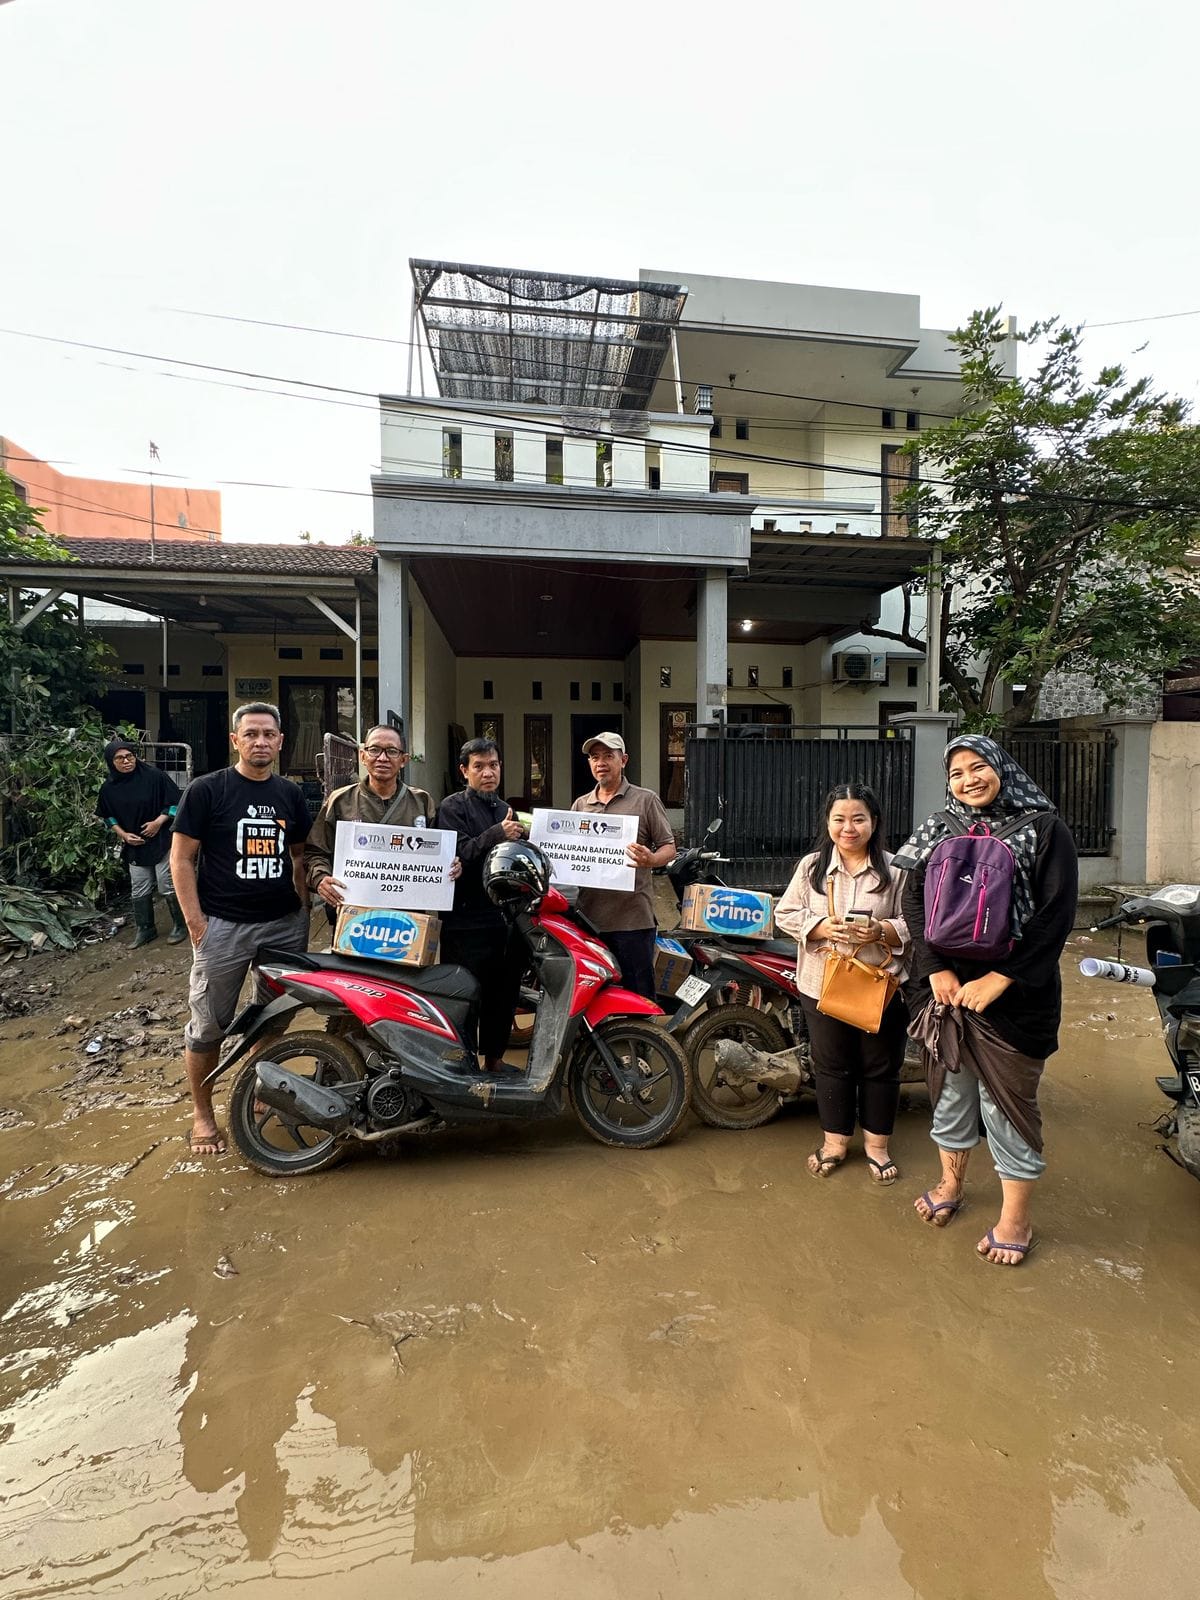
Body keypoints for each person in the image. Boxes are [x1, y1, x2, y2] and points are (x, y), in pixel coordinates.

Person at [893, 734, 1078, 1266]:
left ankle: (1015, 1218)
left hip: (1017, 999)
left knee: (1007, 1105)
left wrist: (1003, 978)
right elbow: (912, 900)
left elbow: (1056, 916)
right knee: (951, 1094)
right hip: (946, 992)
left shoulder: (1046, 829)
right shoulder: (939, 826)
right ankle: (950, 1184)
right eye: (956, 773)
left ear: (1001, 768)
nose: (968, 779)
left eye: (978, 767)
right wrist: (935, 970)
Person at [170, 702, 312, 1156]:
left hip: (283, 926)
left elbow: (298, 857)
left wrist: (303, 910)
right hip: (224, 926)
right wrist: (196, 922)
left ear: (281, 741)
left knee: (274, 1016)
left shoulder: (290, 794)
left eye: (268, 734)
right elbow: (181, 858)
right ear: (236, 740)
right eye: (251, 734)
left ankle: (256, 1088)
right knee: (208, 1024)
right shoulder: (207, 790)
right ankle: (203, 1115)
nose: (260, 742)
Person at [774, 784, 910, 1182]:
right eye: (839, 819)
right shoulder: (812, 867)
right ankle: (835, 1142)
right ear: (828, 822)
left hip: (881, 986)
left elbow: (915, 924)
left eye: (858, 819)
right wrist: (821, 926)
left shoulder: (896, 870)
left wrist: (881, 931)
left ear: (874, 822)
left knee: (880, 1066)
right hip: (821, 983)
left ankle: (877, 1147)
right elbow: (785, 912)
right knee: (832, 1065)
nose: (848, 828)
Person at [433, 738, 527, 1070]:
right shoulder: (451, 808)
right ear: (464, 771)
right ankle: (463, 1064)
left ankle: (495, 1060)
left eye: (494, 765)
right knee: (463, 997)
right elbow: (458, 854)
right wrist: (497, 834)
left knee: (502, 995)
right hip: (464, 923)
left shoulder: (505, 809)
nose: (488, 773)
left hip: (502, 921)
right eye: (479, 766)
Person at [570, 732, 676, 1001]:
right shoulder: (581, 805)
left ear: (624, 760)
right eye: (594, 757)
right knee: (596, 996)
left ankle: (640, 1031)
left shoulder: (645, 800)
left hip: (632, 920)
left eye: (608, 756)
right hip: (589, 920)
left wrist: (651, 859)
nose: (601, 763)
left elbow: (668, 847)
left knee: (637, 996)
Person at [304, 724, 436, 922]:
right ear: (362, 756)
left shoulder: (421, 802)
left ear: (403, 760)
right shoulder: (340, 800)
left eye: (392, 751)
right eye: (374, 749)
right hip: (352, 913)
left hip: (407, 916)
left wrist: (450, 865)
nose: (382, 758)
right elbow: (315, 851)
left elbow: (436, 854)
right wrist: (321, 878)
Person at [96, 735, 186, 948]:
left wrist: (157, 822)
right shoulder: (108, 788)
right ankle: (145, 929)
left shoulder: (155, 777)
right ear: (111, 762)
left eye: (130, 756)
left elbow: (176, 803)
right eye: (120, 758)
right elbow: (107, 816)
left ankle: (180, 925)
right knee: (139, 887)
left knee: (166, 883)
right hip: (134, 844)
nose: (126, 761)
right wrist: (123, 835)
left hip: (162, 839)